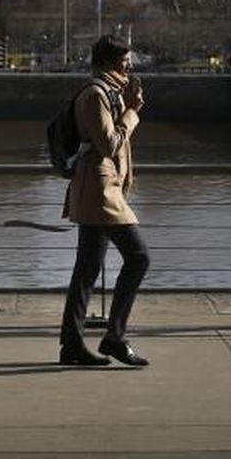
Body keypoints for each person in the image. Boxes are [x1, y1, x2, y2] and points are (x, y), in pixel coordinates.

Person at [58, 34, 151, 367]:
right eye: (125, 63)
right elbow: (110, 144)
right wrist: (132, 112)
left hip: (102, 190)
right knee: (139, 258)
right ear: (112, 63)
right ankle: (114, 338)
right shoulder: (96, 95)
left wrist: (126, 105)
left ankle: (72, 345)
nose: (129, 68)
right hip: (100, 193)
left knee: (86, 271)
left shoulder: (107, 92)